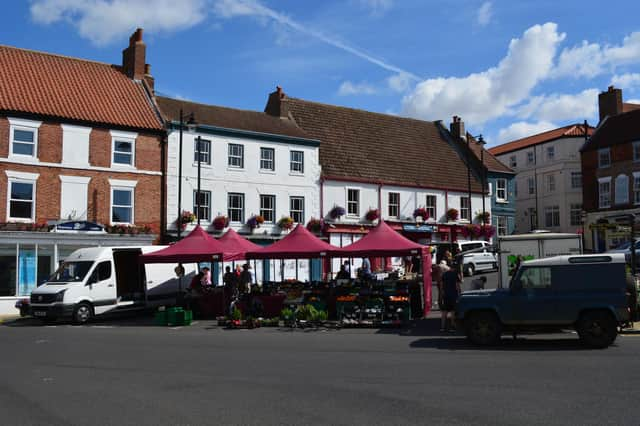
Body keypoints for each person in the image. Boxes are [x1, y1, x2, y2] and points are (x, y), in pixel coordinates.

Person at [439, 260, 461, 332]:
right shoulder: (455, 274)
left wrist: (442, 295)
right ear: (455, 268)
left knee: (444, 311)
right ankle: (452, 327)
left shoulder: (444, 275)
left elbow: (441, 286)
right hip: (453, 295)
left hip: (446, 295)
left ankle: (442, 327)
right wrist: (459, 294)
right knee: (452, 311)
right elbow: (457, 286)